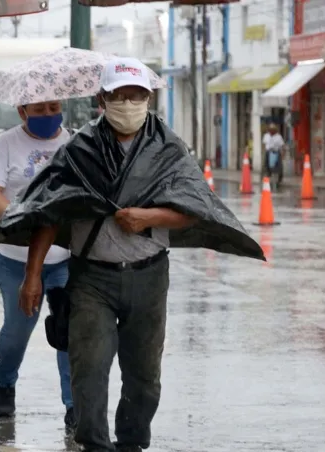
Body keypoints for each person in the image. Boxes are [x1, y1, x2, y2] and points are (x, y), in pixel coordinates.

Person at [20, 58, 198, 452]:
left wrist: (149, 217)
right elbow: (51, 211)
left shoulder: (168, 148)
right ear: (103, 98)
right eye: (121, 96)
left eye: (137, 96)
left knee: (144, 374)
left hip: (149, 275)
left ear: (148, 99)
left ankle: (132, 443)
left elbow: (195, 208)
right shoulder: (78, 150)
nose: (129, 103)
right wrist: (33, 275)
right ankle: (94, 444)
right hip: (92, 278)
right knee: (89, 369)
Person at [0, 100, 75, 427]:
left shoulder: (74, 144)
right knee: (17, 332)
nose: (48, 115)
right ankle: (5, 383)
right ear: (22, 112)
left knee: (68, 329)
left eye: (53, 108)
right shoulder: (4, 144)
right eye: (39, 110)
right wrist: (19, 217)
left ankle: (74, 406)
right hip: (15, 258)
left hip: (64, 259)